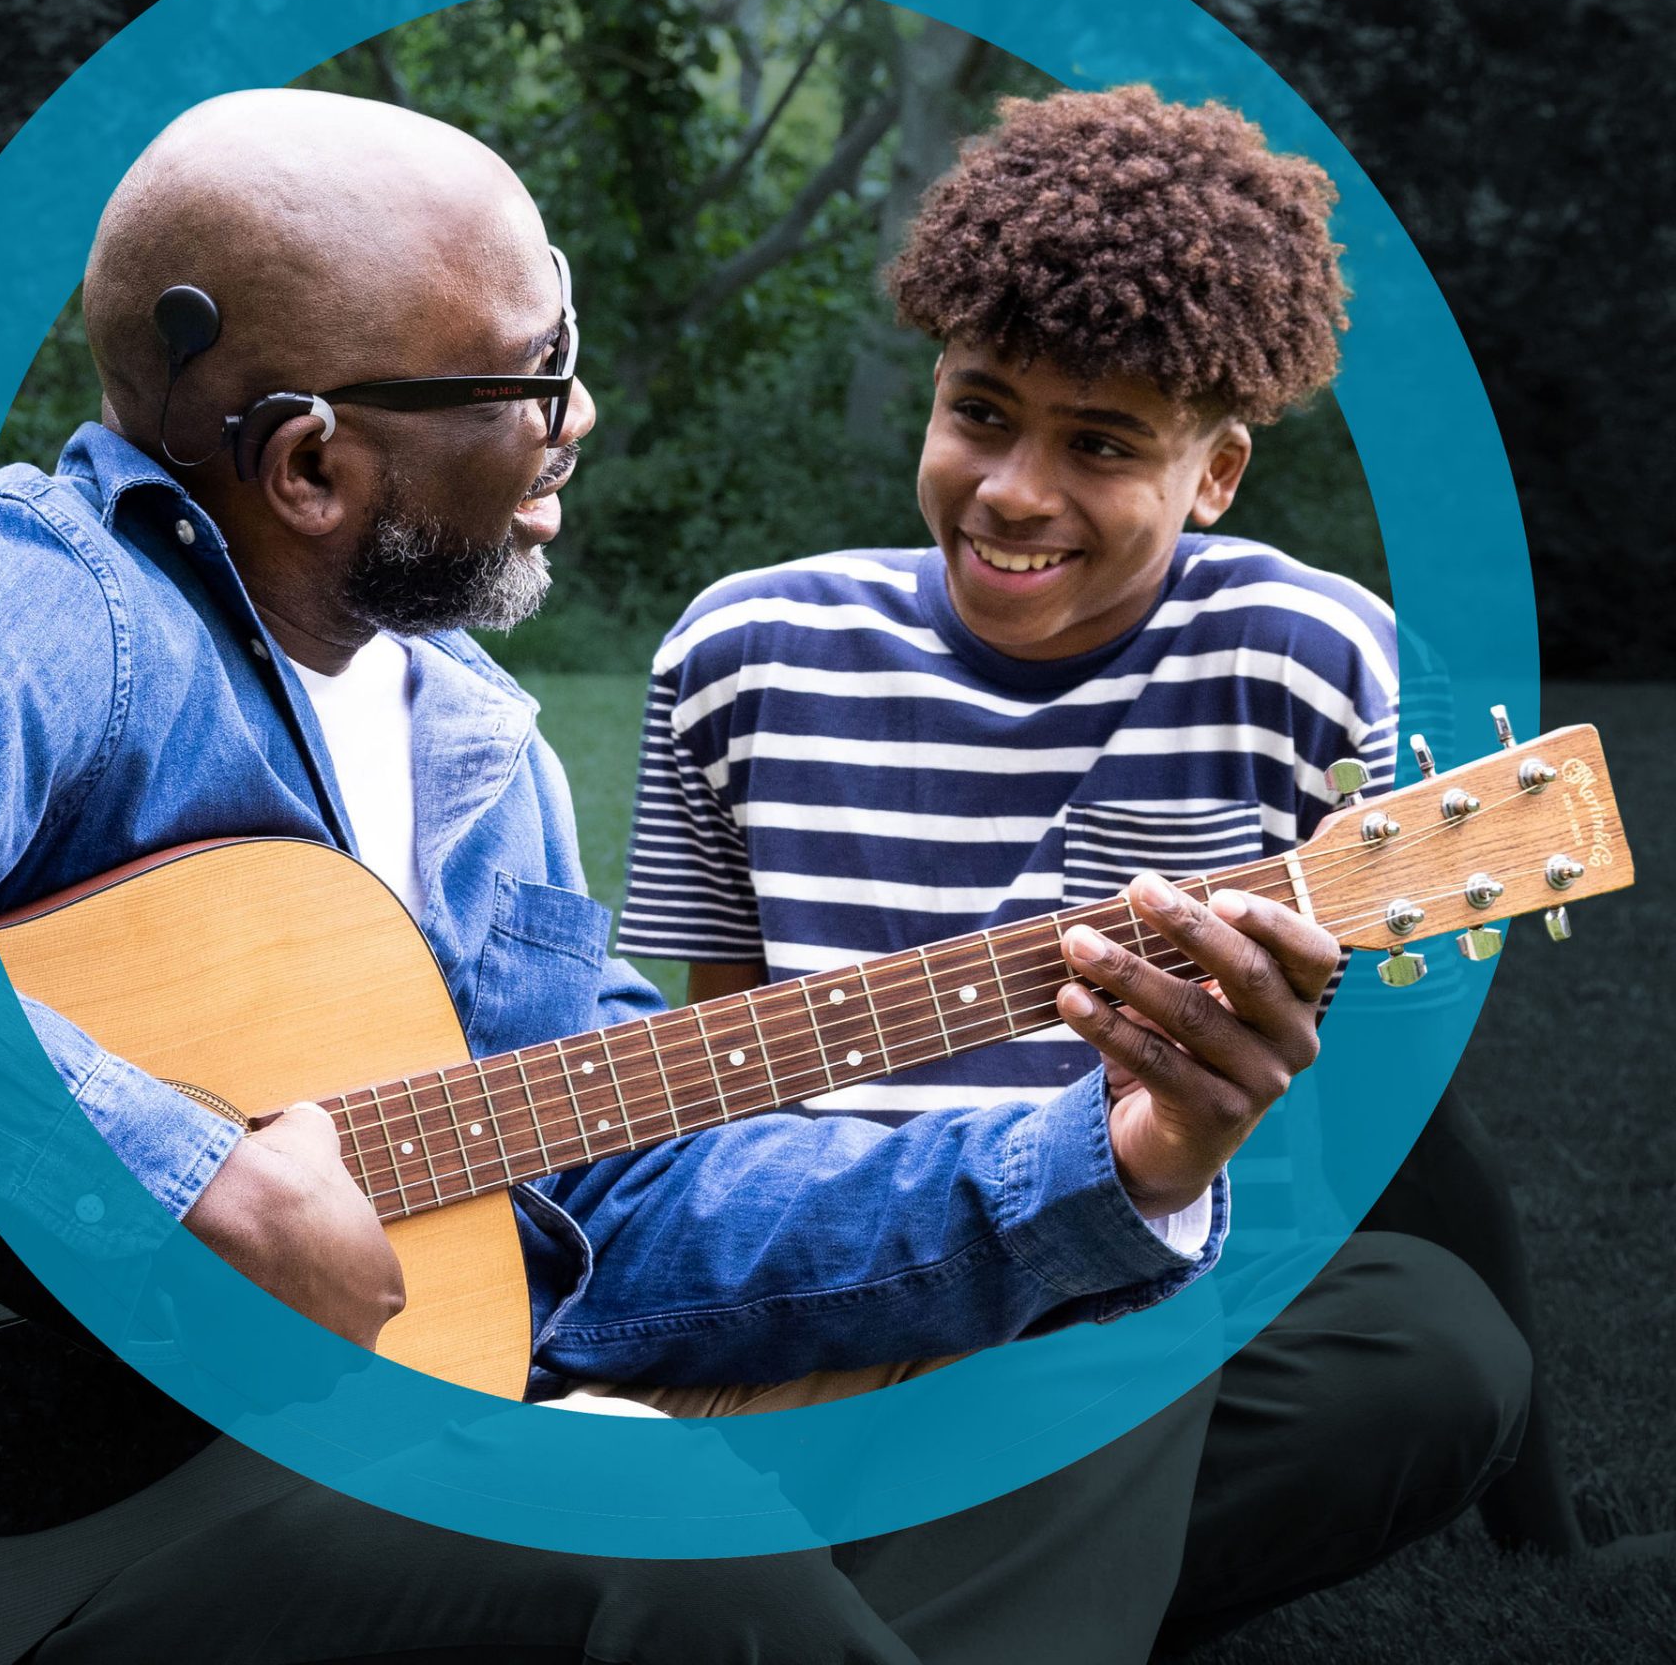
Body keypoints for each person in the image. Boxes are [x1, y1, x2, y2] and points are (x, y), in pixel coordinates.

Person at [0, 85, 1360, 1663]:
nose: (579, 415)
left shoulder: (476, 743)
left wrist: (1118, 1163)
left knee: (1056, 1366)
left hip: (272, 1504)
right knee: (654, 1532)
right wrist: (182, 1179)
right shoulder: (55, 605)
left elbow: (606, 1200)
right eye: (535, 375)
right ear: (311, 465)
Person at [618, 85, 1543, 1652]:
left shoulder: (1319, 664)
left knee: (1423, 1347)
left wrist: (1552, 1535)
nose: (1014, 491)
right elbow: (727, 1073)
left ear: (1216, 474)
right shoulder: (743, 652)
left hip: (1148, 1296)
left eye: (1101, 444)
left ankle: (839, 1584)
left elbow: (1405, 1133)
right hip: (827, 1282)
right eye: (981, 412)